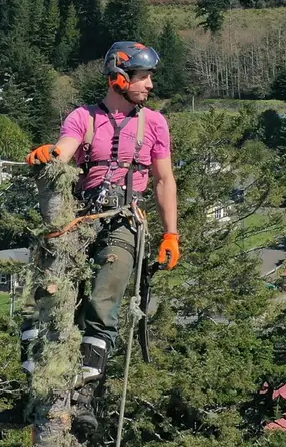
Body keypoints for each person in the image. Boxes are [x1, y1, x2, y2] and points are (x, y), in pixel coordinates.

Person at [25, 41, 181, 383]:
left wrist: (171, 234)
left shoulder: (154, 123)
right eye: (142, 77)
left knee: (110, 278)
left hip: (123, 217)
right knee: (51, 278)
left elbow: (164, 180)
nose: (150, 85)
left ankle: (90, 363)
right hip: (81, 214)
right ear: (119, 79)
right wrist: (49, 154)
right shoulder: (83, 117)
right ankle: (36, 351)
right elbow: (64, 150)